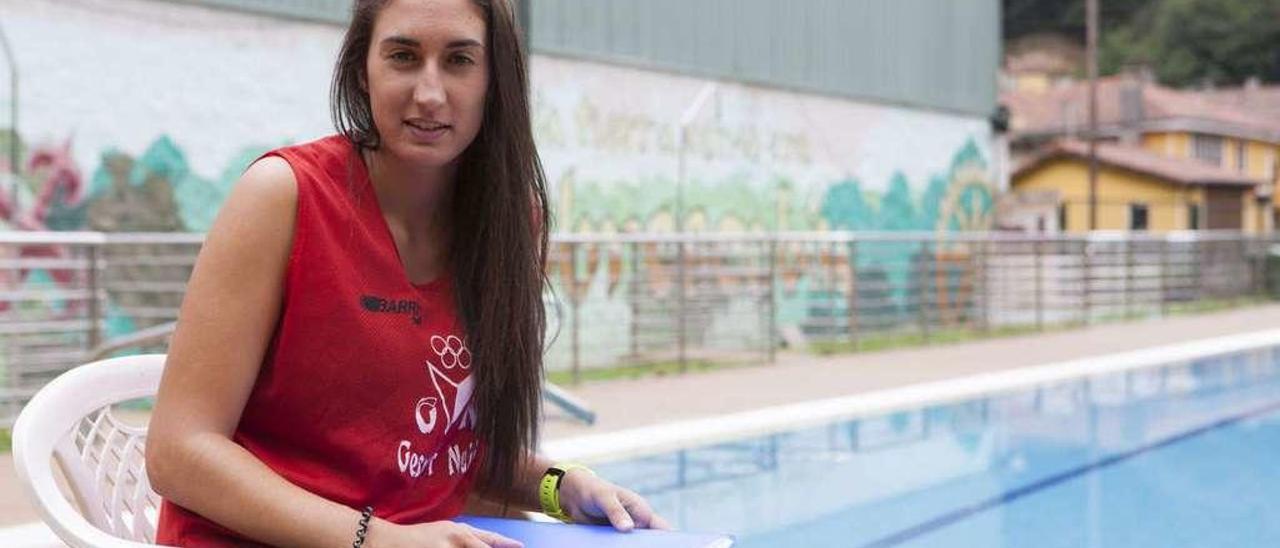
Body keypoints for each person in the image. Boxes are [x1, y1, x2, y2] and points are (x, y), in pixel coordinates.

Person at [145, 0, 669, 546]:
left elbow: (438, 450)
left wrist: (559, 488)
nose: (429, 93)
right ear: (361, 70)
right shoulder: (283, 196)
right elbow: (178, 452)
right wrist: (380, 540)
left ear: (497, 81)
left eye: (460, 61)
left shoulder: (511, 221)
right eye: (402, 56)